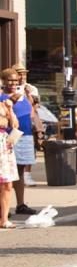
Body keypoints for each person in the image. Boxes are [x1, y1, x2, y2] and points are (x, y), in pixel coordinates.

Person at [0, 70, 37, 215]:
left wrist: (28, 96)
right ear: (3, 80)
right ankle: (3, 208)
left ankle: (20, 204)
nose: (14, 83)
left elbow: (31, 112)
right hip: (7, 138)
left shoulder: (23, 95)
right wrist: (11, 102)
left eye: (16, 80)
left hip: (24, 135)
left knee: (20, 170)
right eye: (10, 80)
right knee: (5, 173)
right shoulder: (2, 97)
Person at [0, 81, 19, 229]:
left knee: (7, 184)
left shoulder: (5, 105)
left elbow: (15, 125)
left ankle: (4, 219)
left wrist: (10, 110)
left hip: (4, 144)